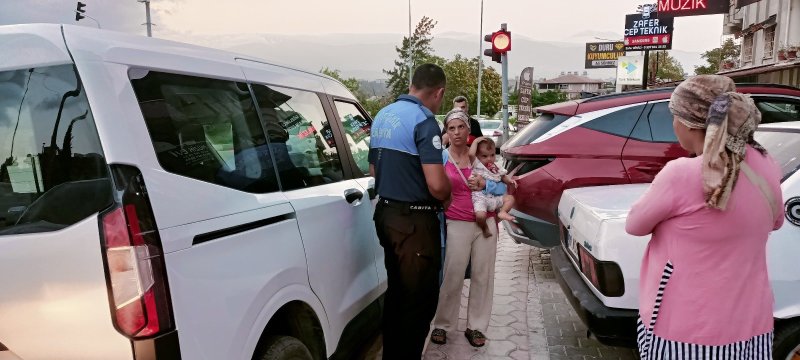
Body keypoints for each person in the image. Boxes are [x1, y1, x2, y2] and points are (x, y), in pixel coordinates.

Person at [625, 75, 784, 359]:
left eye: (673, 117)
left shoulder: (682, 173)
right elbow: (776, 221)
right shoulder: (766, 162)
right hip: (751, 321)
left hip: (686, 327)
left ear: (687, 123)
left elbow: (634, 225)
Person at [369, 63, 451, 359]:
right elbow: (437, 185)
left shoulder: (383, 115)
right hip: (414, 224)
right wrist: (448, 195)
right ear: (439, 92)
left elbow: (374, 168)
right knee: (418, 303)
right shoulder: (423, 120)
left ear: (411, 85)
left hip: (387, 215)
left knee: (397, 296)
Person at [429, 109, 508, 348]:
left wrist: (486, 184)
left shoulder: (483, 157)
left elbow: (504, 189)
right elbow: (433, 187)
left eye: (460, 127)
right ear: (446, 132)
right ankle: (442, 325)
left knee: (483, 275)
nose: (456, 133)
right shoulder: (441, 158)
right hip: (456, 223)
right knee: (452, 274)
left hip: (486, 223)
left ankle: (476, 326)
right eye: (451, 128)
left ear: (468, 129)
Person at [469, 136, 515, 237]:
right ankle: (484, 228)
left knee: (510, 199)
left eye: (492, 155)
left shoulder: (496, 167)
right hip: (481, 198)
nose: (489, 159)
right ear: (478, 156)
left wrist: (509, 181)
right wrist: (476, 141)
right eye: (484, 156)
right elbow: (471, 154)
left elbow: (503, 176)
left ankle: (502, 213)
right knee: (480, 216)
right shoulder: (477, 165)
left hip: (495, 197)